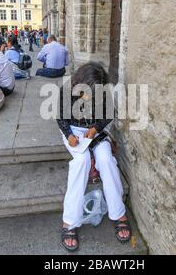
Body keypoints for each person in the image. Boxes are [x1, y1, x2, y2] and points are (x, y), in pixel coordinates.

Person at [56, 62, 131, 251]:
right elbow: (60, 117)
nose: (89, 97)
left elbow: (107, 116)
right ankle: (70, 221)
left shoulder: (103, 92)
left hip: (94, 131)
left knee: (106, 159)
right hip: (73, 131)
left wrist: (95, 128)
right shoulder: (66, 91)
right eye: (86, 92)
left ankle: (118, 212)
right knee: (80, 162)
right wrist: (69, 135)